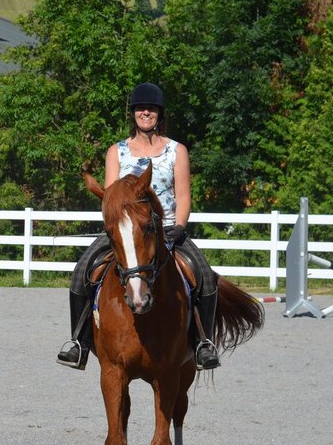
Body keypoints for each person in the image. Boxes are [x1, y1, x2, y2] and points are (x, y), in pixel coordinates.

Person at [56, 82, 220, 371]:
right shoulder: (116, 151)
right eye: (141, 108)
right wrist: (116, 226)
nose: (146, 113)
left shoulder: (177, 151)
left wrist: (179, 226)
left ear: (160, 114)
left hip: (166, 230)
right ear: (133, 113)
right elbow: (110, 198)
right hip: (124, 231)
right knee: (81, 272)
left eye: (152, 109)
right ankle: (79, 342)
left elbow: (183, 196)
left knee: (205, 276)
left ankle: (202, 343)